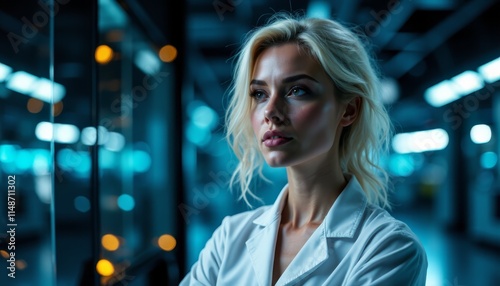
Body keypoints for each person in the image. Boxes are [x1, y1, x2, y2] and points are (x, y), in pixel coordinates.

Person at [180, 13, 428, 286]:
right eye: (259, 94)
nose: (271, 112)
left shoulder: (388, 247)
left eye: (297, 90)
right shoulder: (229, 237)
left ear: (348, 109)